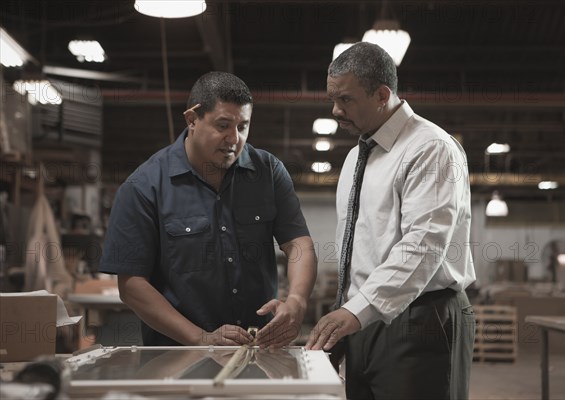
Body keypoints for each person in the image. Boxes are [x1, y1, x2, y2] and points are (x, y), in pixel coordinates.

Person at [305, 42, 477, 400]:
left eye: (347, 100)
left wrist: (356, 311)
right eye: (332, 99)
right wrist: (349, 315)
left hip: (422, 319)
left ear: (382, 95)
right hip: (366, 318)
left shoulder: (430, 148)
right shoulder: (356, 156)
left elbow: (424, 245)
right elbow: (359, 248)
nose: (336, 110)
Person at [100, 71, 317, 348]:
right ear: (192, 119)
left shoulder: (268, 172)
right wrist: (200, 338)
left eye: (243, 126)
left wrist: (297, 300)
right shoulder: (143, 186)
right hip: (177, 358)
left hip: (258, 349)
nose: (234, 139)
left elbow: (298, 242)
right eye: (223, 125)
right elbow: (131, 284)